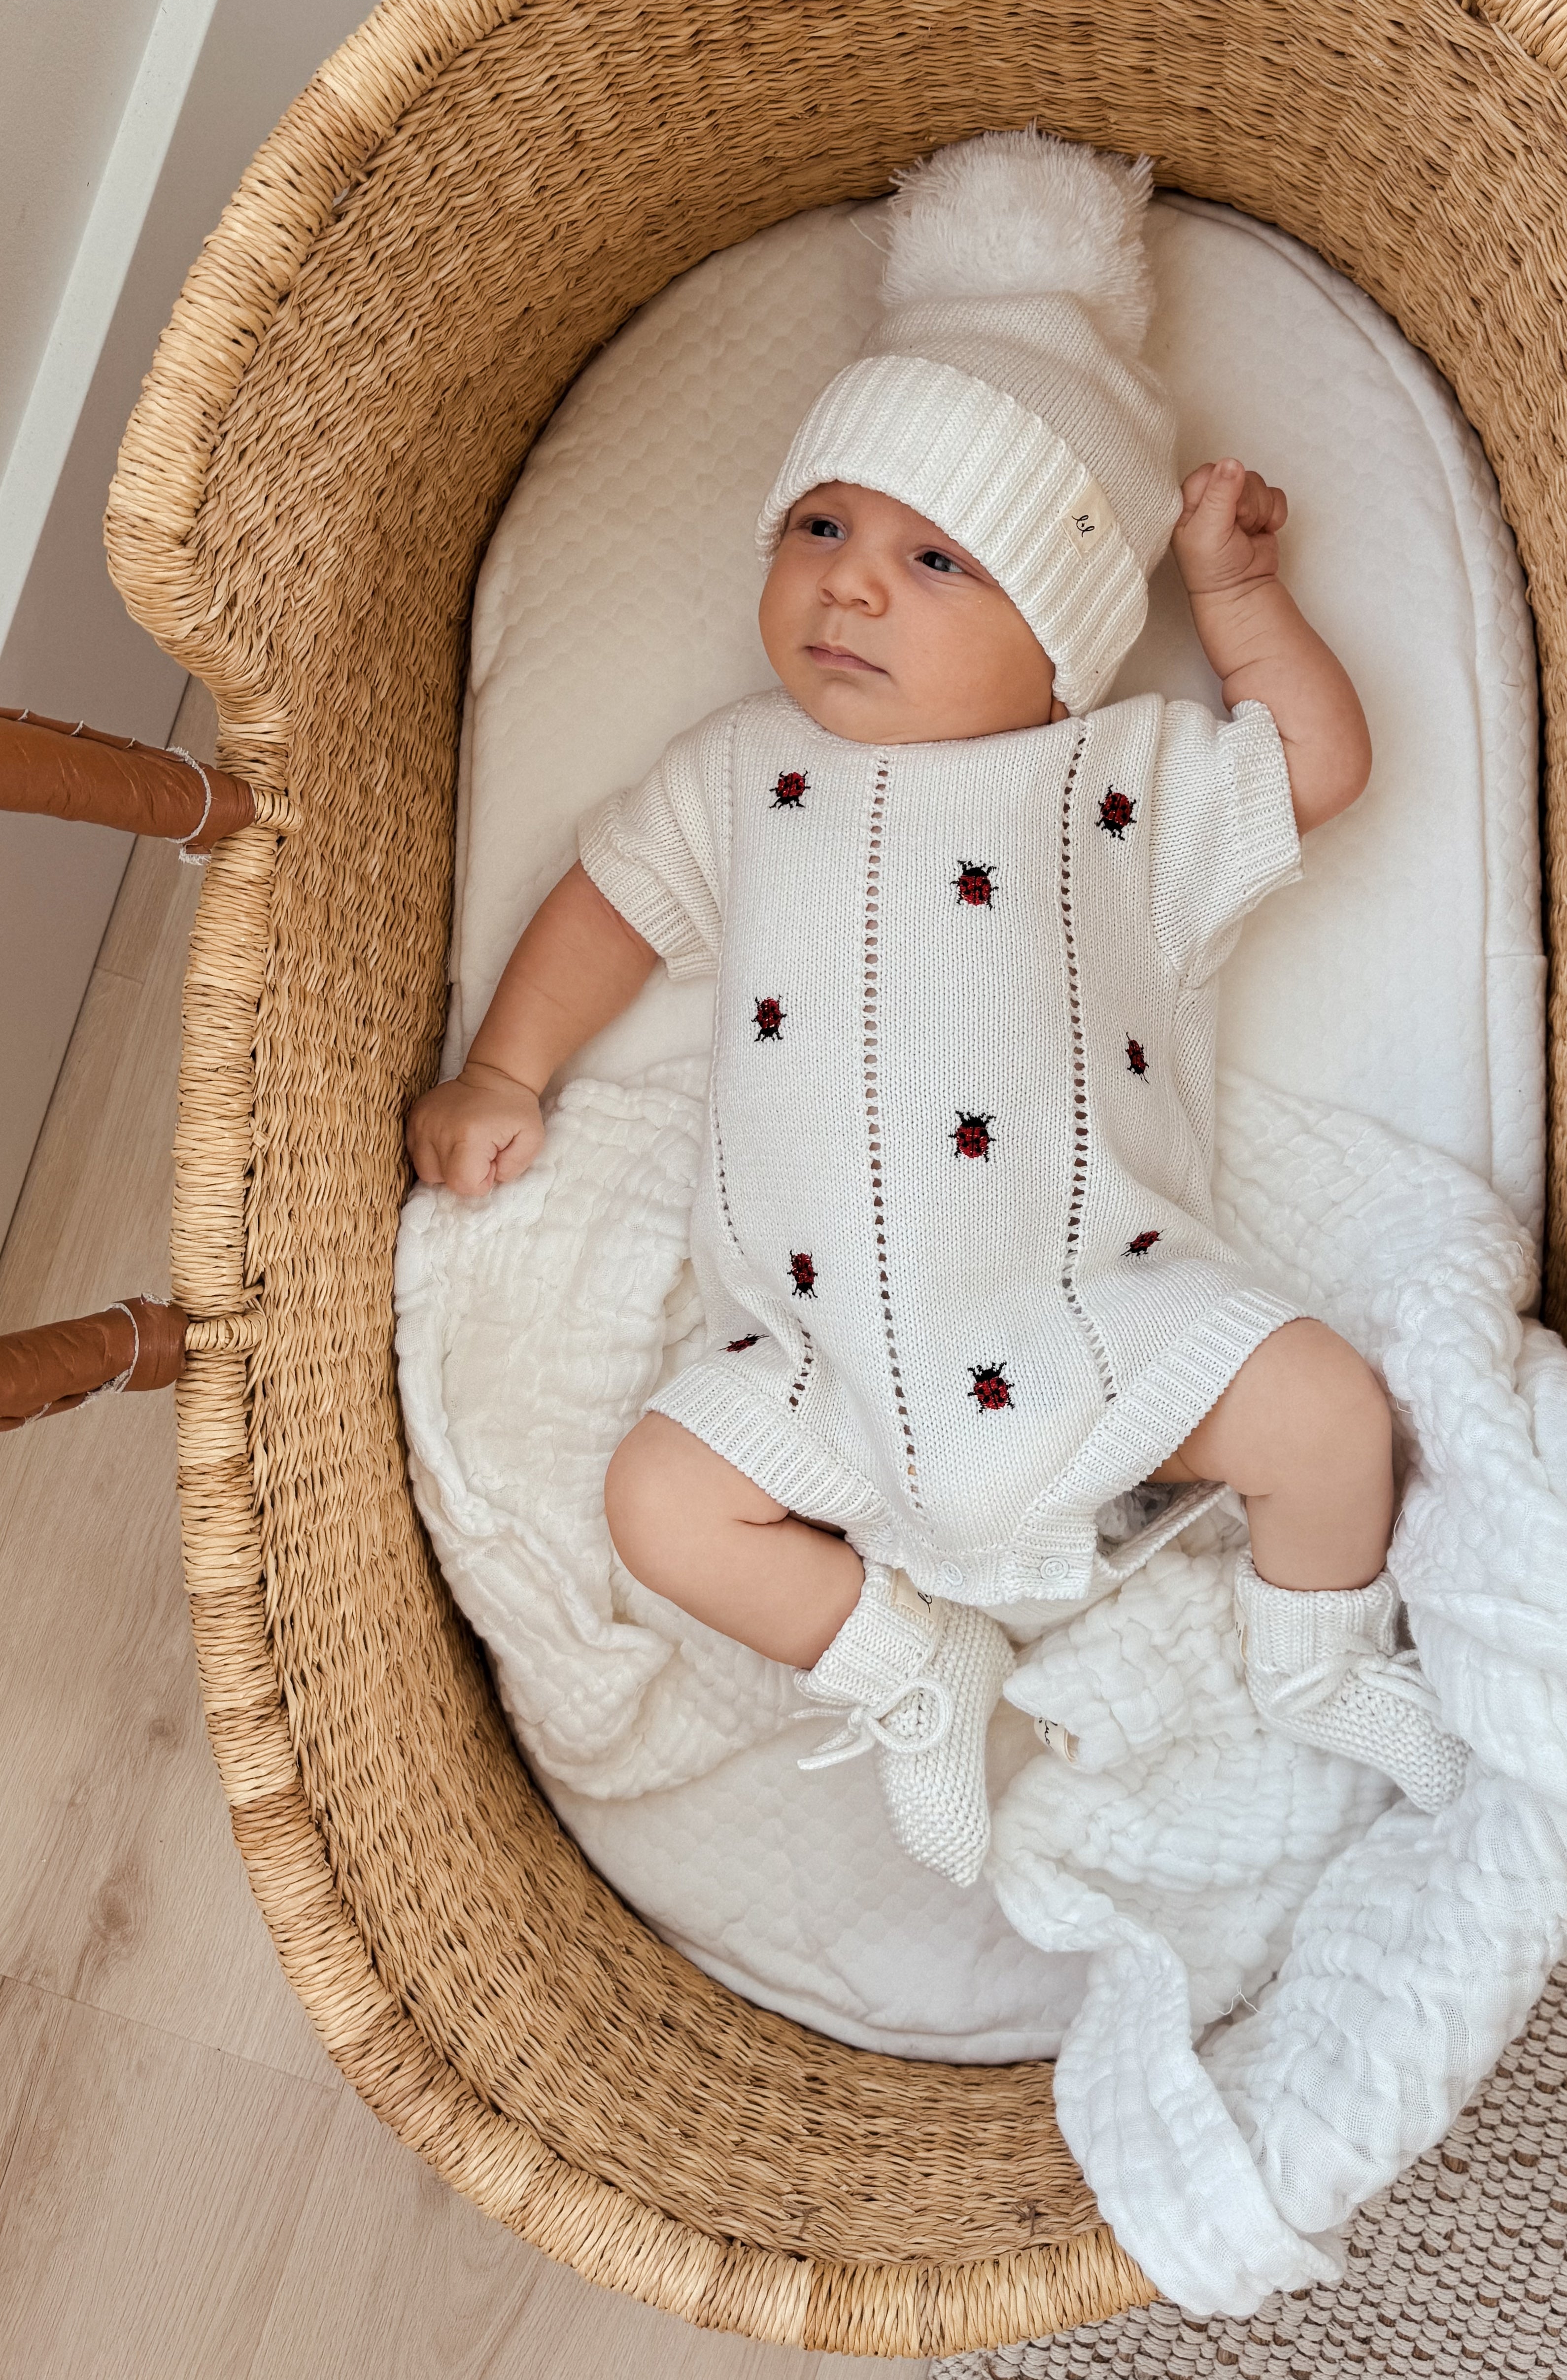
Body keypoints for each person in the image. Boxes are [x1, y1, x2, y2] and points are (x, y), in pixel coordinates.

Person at [408, 130, 1467, 1885]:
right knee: (659, 1502)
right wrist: (509, 1062)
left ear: (1059, 635)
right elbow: (607, 900)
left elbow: (1316, 762)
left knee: (1326, 1415)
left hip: (1104, 1304)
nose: (849, 580)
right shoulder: (741, 773)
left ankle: (1318, 1654)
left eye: (936, 560)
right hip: (816, 1358)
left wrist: (1234, 598)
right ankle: (905, 1662)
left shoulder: (1120, 777)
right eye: (823, 526)